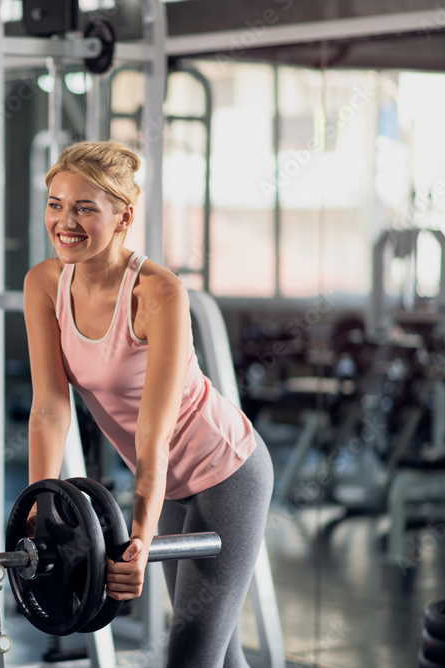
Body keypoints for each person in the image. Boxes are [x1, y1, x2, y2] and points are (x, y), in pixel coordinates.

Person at [23, 140, 274, 668]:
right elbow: (50, 408)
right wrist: (39, 509)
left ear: (122, 217)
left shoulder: (158, 293)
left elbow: (153, 436)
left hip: (226, 474)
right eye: (55, 204)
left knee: (190, 657)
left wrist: (137, 539)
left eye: (85, 207)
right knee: (219, 657)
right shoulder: (44, 284)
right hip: (167, 486)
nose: (64, 221)